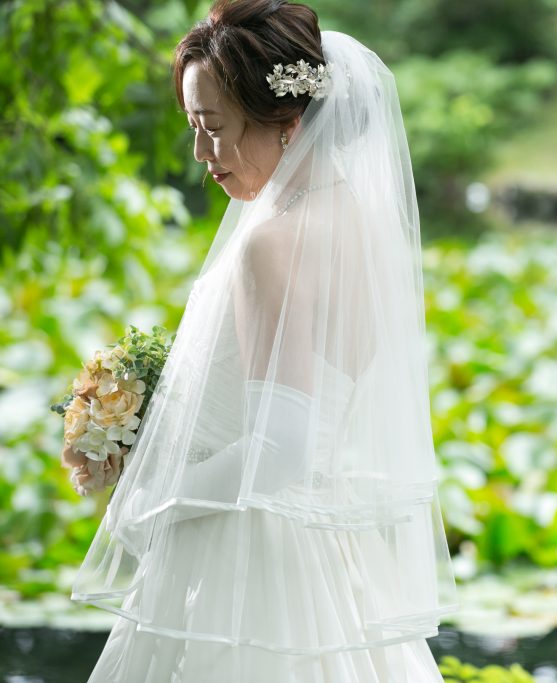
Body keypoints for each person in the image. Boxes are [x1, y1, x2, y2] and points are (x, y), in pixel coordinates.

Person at [70, 1, 459, 680]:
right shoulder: (367, 229)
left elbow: (280, 449)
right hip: (331, 560)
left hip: (245, 562)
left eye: (213, 128)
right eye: (195, 128)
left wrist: (152, 495)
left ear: (287, 121)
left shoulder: (273, 245)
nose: (201, 153)